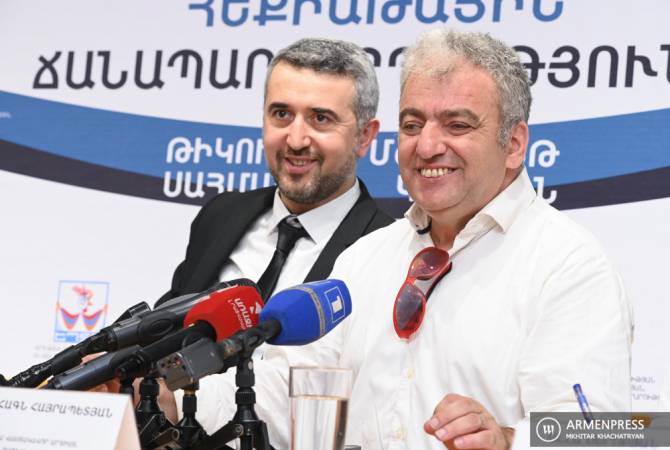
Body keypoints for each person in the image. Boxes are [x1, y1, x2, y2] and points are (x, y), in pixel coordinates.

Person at [167, 30, 634, 450]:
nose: (426, 146)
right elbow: (286, 394)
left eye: (457, 125)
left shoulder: (568, 263)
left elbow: (609, 431)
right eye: (412, 124)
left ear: (513, 144)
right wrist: (170, 398)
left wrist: (508, 441)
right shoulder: (365, 258)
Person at [156, 37, 393, 306]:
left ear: (364, 136)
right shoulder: (221, 215)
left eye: (320, 119)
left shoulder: (388, 251)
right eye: (282, 114)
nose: (296, 140)